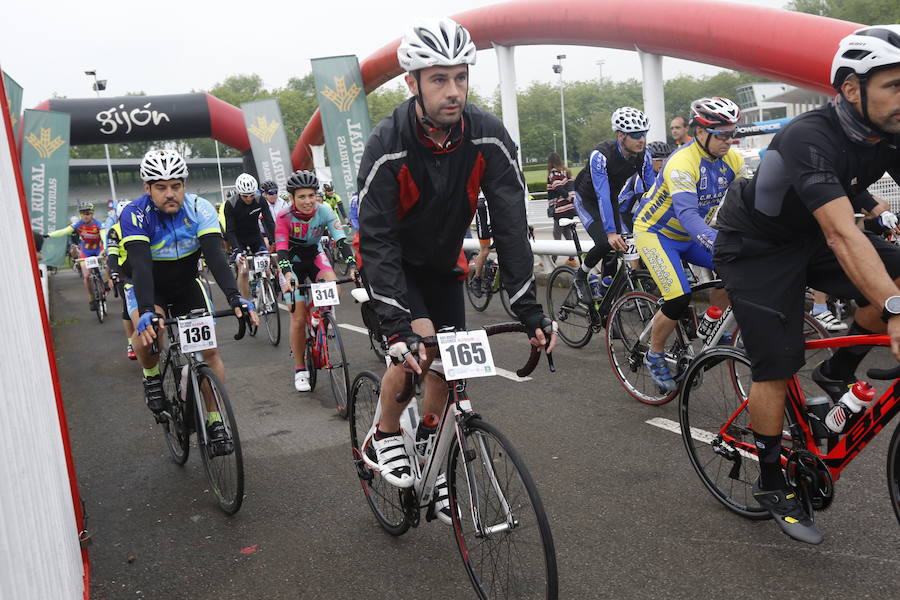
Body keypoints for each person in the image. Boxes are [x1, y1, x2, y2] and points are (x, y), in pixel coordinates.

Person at [713, 25, 900, 545]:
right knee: (778, 359)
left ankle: (837, 374)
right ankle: (773, 481)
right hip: (755, 246)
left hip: (810, 236)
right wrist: (894, 308)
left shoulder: (892, 134)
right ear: (850, 88)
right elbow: (844, 234)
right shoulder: (809, 135)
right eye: (896, 85)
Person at [357, 18, 555, 501]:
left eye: (460, 77)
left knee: (450, 369)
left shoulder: (487, 135)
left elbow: (510, 225)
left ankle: (430, 446)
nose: (453, 91)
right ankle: (385, 432)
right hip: (394, 265)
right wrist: (397, 324)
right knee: (417, 354)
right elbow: (377, 237)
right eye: (439, 79)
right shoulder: (388, 143)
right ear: (413, 83)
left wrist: (528, 307)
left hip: (444, 265)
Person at [120, 149, 257, 442]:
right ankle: (152, 376)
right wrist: (146, 310)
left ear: (184, 185)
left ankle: (215, 418)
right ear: (148, 188)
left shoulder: (200, 208)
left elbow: (215, 257)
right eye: (161, 187)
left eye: (176, 186)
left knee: (209, 354)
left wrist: (235, 298)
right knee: (150, 333)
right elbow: (141, 266)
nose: (170, 193)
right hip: (149, 284)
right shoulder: (134, 213)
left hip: (186, 283)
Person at [633, 97, 746, 392]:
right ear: (700, 132)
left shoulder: (732, 160)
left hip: (689, 235)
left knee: (738, 268)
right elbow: (687, 214)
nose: (728, 141)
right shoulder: (682, 162)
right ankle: (655, 354)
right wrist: (718, 243)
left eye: (731, 133)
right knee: (678, 296)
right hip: (656, 234)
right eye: (721, 134)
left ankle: (713, 324)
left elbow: (750, 203)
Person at [275, 170, 354, 392]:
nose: (308, 201)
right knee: (298, 318)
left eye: (311, 195)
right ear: (292, 198)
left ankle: (319, 316)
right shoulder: (283, 216)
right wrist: (288, 274)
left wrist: (353, 264)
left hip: (315, 256)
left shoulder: (326, 210)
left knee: (335, 288)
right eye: (302, 197)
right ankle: (300, 369)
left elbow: (341, 240)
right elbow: (280, 250)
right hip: (290, 263)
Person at [572, 107, 656, 304]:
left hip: (610, 199)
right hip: (588, 200)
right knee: (604, 241)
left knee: (622, 244)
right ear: (620, 135)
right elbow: (601, 195)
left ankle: (606, 291)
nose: (641, 140)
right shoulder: (600, 155)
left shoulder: (644, 154)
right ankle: (581, 275)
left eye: (643, 134)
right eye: (635, 135)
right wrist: (610, 232)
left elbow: (652, 192)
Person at [45, 201, 106, 311]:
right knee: (87, 276)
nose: (85, 216)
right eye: (83, 213)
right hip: (85, 251)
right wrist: (49, 235)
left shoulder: (98, 224)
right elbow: (64, 231)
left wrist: (106, 249)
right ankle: (91, 298)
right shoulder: (78, 224)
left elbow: (104, 236)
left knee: (108, 264)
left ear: (92, 214)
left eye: (88, 213)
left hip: (98, 249)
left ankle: (105, 282)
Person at [223, 173, 275, 301]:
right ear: (239, 193)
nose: (249, 198)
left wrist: (275, 240)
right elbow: (230, 230)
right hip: (238, 238)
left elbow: (269, 221)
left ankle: (269, 289)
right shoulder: (231, 204)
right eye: (245, 196)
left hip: (255, 236)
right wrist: (236, 250)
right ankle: (246, 303)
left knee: (266, 264)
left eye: (252, 195)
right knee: (244, 269)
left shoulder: (260, 200)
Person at [105, 200, 137, 360]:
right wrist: (114, 273)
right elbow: (112, 255)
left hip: (144, 270)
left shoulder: (140, 225)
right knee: (128, 309)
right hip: (126, 274)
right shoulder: (114, 231)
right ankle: (131, 342)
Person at [547, 152, 577, 266]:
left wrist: (567, 197)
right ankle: (572, 259)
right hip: (569, 208)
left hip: (560, 207)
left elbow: (558, 187)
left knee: (557, 233)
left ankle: (553, 260)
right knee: (567, 233)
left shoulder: (554, 173)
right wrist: (571, 199)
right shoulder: (566, 172)